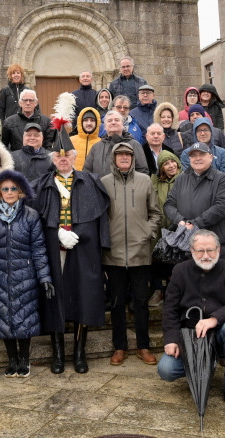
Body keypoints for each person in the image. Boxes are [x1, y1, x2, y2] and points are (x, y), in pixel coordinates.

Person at [32, 149, 111, 374]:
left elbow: (102, 217)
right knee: (54, 297)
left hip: (84, 248)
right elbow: (36, 217)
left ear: (75, 157)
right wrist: (55, 233)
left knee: (82, 296)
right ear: (53, 159)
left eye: (67, 155)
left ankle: (79, 352)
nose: (63, 159)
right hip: (53, 248)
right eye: (58, 156)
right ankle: (58, 354)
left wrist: (99, 246)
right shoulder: (41, 184)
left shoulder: (91, 181)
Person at [157, 230, 225, 403]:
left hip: (222, 333)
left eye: (210, 250)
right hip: (190, 338)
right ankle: (202, 367)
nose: (206, 255)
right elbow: (170, 308)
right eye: (200, 251)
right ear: (192, 251)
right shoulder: (179, 271)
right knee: (166, 370)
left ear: (218, 250)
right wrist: (171, 339)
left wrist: (214, 319)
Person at [0, 170, 54, 378]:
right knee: (4, 318)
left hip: (25, 274)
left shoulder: (30, 215)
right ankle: (11, 359)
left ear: (20, 190)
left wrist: (44, 277)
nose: (10, 192)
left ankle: (24, 359)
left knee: (25, 317)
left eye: (14, 188)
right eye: (5, 189)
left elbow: (39, 248)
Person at [101, 143, 161, 366]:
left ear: (133, 158)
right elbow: (101, 215)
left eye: (128, 155)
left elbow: (156, 212)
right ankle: (120, 347)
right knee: (116, 303)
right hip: (113, 255)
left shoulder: (145, 181)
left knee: (141, 302)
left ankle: (143, 347)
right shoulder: (105, 182)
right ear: (114, 159)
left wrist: (147, 232)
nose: (124, 158)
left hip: (140, 252)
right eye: (120, 155)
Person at [164, 141, 225, 260]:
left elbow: (221, 207)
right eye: (193, 155)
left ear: (211, 157)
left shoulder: (221, 178)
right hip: (186, 245)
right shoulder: (181, 178)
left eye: (202, 154)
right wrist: (179, 220)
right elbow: (169, 205)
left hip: (213, 243)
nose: (197, 158)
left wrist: (195, 223)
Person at [149, 151, 183, 307]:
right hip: (159, 229)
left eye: (172, 162)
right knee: (157, 261)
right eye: (166, 163)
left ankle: (173, 292)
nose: (170, 166)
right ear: (161, 168)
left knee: (176, 264)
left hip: (178, 229)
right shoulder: (155, 182)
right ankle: (158, 290)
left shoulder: (184, 179)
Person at [84, 110, 148, 178]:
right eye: (110, 121)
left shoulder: (134, 144)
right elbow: (87, 172)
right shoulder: (96, 147)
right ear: (105, 127)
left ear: (123, 125)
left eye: (117, 120)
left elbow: (142, 171)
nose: (113, 122)